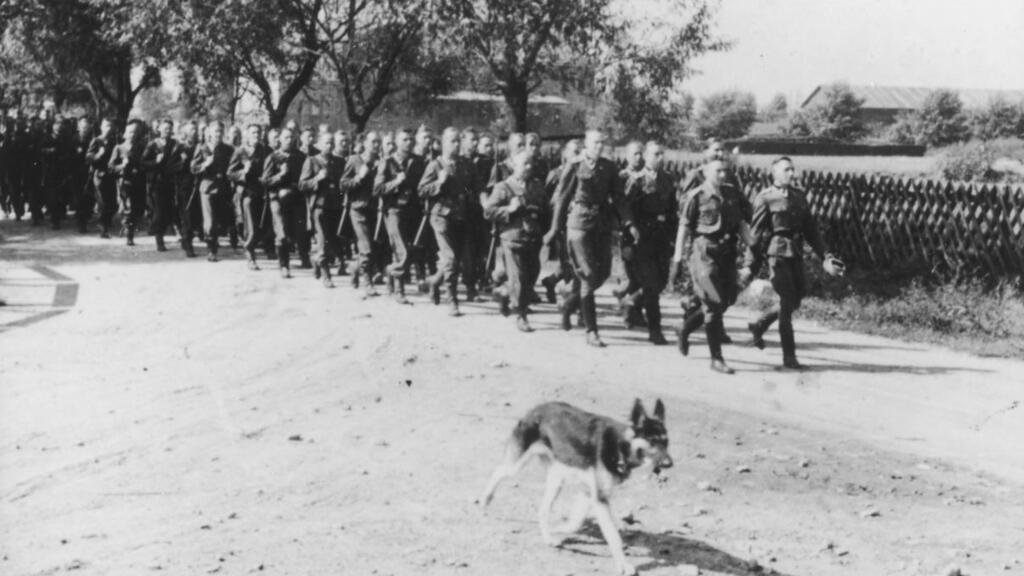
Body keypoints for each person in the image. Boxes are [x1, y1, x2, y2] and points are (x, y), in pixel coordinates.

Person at [741, 156, 845, 369]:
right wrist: (749, 265)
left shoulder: (799, 197)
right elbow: (755, 235)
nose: (791, 174)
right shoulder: (765, 198)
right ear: (775, 173)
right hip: (776, 255)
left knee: (797, 298)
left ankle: (759, 325)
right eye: (786, 170)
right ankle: (789, 357)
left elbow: (811, 231)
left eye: (792, 170)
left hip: (795, 253)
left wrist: (826, 256)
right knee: (787, 303)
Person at [545, 130, 637, 347]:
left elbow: (619, 198)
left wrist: (629, 223)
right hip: (579, 225)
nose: (599, 147)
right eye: (596, 143)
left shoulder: (609, 167)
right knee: (588, 275)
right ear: (587, 144)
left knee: (603, 272)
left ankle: (569, 305)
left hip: (601, 225)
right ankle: (591, 330)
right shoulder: (575, 165)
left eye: (602, 143)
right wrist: (554, 228)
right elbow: (562, 199)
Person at [673, 160, 751, 373]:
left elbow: (741, 224)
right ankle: (716, 358)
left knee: (725, 301)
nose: (722, 174)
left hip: (727, 255)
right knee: (714, 304)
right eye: (718, 171)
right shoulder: (696, 196)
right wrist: (677, 259)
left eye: (725, 170)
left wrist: (754, 246)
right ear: (706, 173)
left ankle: (684, 327)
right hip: (704, 255)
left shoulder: (732, 194)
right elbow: (684, 229)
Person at [483, 150, 548, 332]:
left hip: (533, 237)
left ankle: (504, 293)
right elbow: (488, 211)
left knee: (532, 274)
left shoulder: (536, 186)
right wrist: (508, 210)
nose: (529, 167)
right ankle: (521, 314)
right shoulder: (503, 187)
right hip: (512, 238)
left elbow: (545, 210)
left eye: (530, 163)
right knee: (518, 277)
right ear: (513, 165)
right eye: (524, 164)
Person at [623, 141, 677, 345]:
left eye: (662, 154)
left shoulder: (668, 179)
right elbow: (626, 213)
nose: (660, 158)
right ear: (646, 156)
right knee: (652, 286)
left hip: (662, 239)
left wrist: (672, 238)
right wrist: (628, 241)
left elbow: (673, 210)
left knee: (661, 281)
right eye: (656, 154)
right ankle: (655, 331)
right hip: (642, 239)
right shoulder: (636, 180)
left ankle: (631, 301)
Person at [418, 127, 475, 317]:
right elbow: (422, 190)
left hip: (461, 216)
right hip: (441, 216)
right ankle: (452, 300)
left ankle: (434, 282)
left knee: (455, 261)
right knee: (450, 259)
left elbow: (477, 185)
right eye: (452, 141)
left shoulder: (466, 164)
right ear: (443, 143)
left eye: (459, 141)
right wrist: (438, 184)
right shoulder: (435, 165)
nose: (457, 145)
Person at [374, 127, 426, 304]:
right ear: (396, 142)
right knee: (401, 251)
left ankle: (390, 272)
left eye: (411, 139)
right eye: (404, 139)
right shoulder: (387, 162)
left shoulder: (419, 161)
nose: (409, 142)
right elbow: (377, 189)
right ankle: (399, 290)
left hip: (414, 211)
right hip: (394, 211)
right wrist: (396, 182)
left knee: (412, 250)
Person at [299, 130, 345, 288]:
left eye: (332, 142)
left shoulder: (339, 161)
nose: (330, 145)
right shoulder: (312, 161)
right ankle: (326, 275)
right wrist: (317, 179)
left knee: (334, 240)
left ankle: (317, 261)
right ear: (319, 144)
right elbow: (302, 184)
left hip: (336, 207)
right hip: (319, 207)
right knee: (322, 242)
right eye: (326, 142)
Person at [339, 131, 383, 297]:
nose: (376, 145)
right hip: (358, 209)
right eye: (373, 142)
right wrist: (359, 177)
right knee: (366, 247)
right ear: (364, 143)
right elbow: (342, 184)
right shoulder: (354, 160)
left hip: (375, 210)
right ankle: (368, 282)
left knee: (373, 246)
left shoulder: (381, 162)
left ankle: (355, 267)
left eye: (378, 142)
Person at [538, 139, 580, 304]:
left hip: (578, 221)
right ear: (565, 154)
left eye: (579, 151)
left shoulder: (582, 171)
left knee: (571, 262)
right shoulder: (556, 174)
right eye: (574, 152)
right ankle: (571, 299)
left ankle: (551, 282)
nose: (577, 155)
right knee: (568, 260)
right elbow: (547, 199)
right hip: (561, 222)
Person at [261, 128, 308, 277]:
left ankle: (304, 257)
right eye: (286, 137)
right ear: (279, 140)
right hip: (278, 199)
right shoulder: (273, 157)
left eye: (292, 137)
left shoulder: (301, 157)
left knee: (300, 231)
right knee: (281, 232)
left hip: (296, 198)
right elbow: (265, 180)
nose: (289, 140)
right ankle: (284, 265)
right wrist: (281, 175)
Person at [190, 121, 235, 261]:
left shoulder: (228, 149)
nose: (218, 134)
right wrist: (205, 164)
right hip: (207, 188)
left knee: (222, 220)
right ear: (209, 132)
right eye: (215, 131)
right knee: (209, 221)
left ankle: (217, 242)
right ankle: (211, 250)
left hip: (224, 188)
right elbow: (193, 168)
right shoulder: (202, 148)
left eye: (221, 131)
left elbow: (233, 166)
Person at [228, 123, 271, 268]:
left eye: (258, 133)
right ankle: (250, 253)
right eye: (253, 133)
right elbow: (230, 173)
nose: (256, 136)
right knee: (251, 226)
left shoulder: (266, 150)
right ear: (247, 135)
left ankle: (252, 246)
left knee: (262, 225)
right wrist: (243, 173)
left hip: (263, 192)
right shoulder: (241, 152)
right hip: (247, 193)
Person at [616, 140, 647, 328]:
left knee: (643, 272)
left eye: (641, 153)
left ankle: (635, 310)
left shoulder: (647, 176)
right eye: (635, 153)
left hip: (645, 229)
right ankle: (628, 310)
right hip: (627, 230)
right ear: (627, 156)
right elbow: (618, 204)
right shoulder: (621, 177)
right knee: (630, 272)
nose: (639, 157)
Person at [108, 119, 147, 246]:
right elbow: (111, 167)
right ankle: (129, 233)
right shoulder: (119, 148)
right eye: (130, 132)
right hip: (125, 181)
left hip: (139, 181)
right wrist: (121, 166)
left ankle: (130, 226)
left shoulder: (142, 147)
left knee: (139, 207)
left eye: (135, 132)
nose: (133, 135)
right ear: (125, 133)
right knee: (128, 207)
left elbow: (147, 162)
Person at [141, 119, 178, 251]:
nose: (168, 131)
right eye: (165, 128)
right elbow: (143, 162)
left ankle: (157, 228)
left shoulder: (175, 144)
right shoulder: (153, 144)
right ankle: (159, 239)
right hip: (156, 182)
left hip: (170, 182)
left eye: (170, 128)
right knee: (160, 211)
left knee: (168, 211)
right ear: (159, 130)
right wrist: (155, 162)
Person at [71, 117, 94, 233]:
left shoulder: (92, 140)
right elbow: (69, 156)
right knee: (79, 198)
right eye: (82, 127)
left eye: (86, 127)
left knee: (88, 198)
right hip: (76, 173)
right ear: (78, 127)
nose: (84, 129)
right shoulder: (73, 140)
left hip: (89, 173)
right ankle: (81, 223)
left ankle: (85, 217)